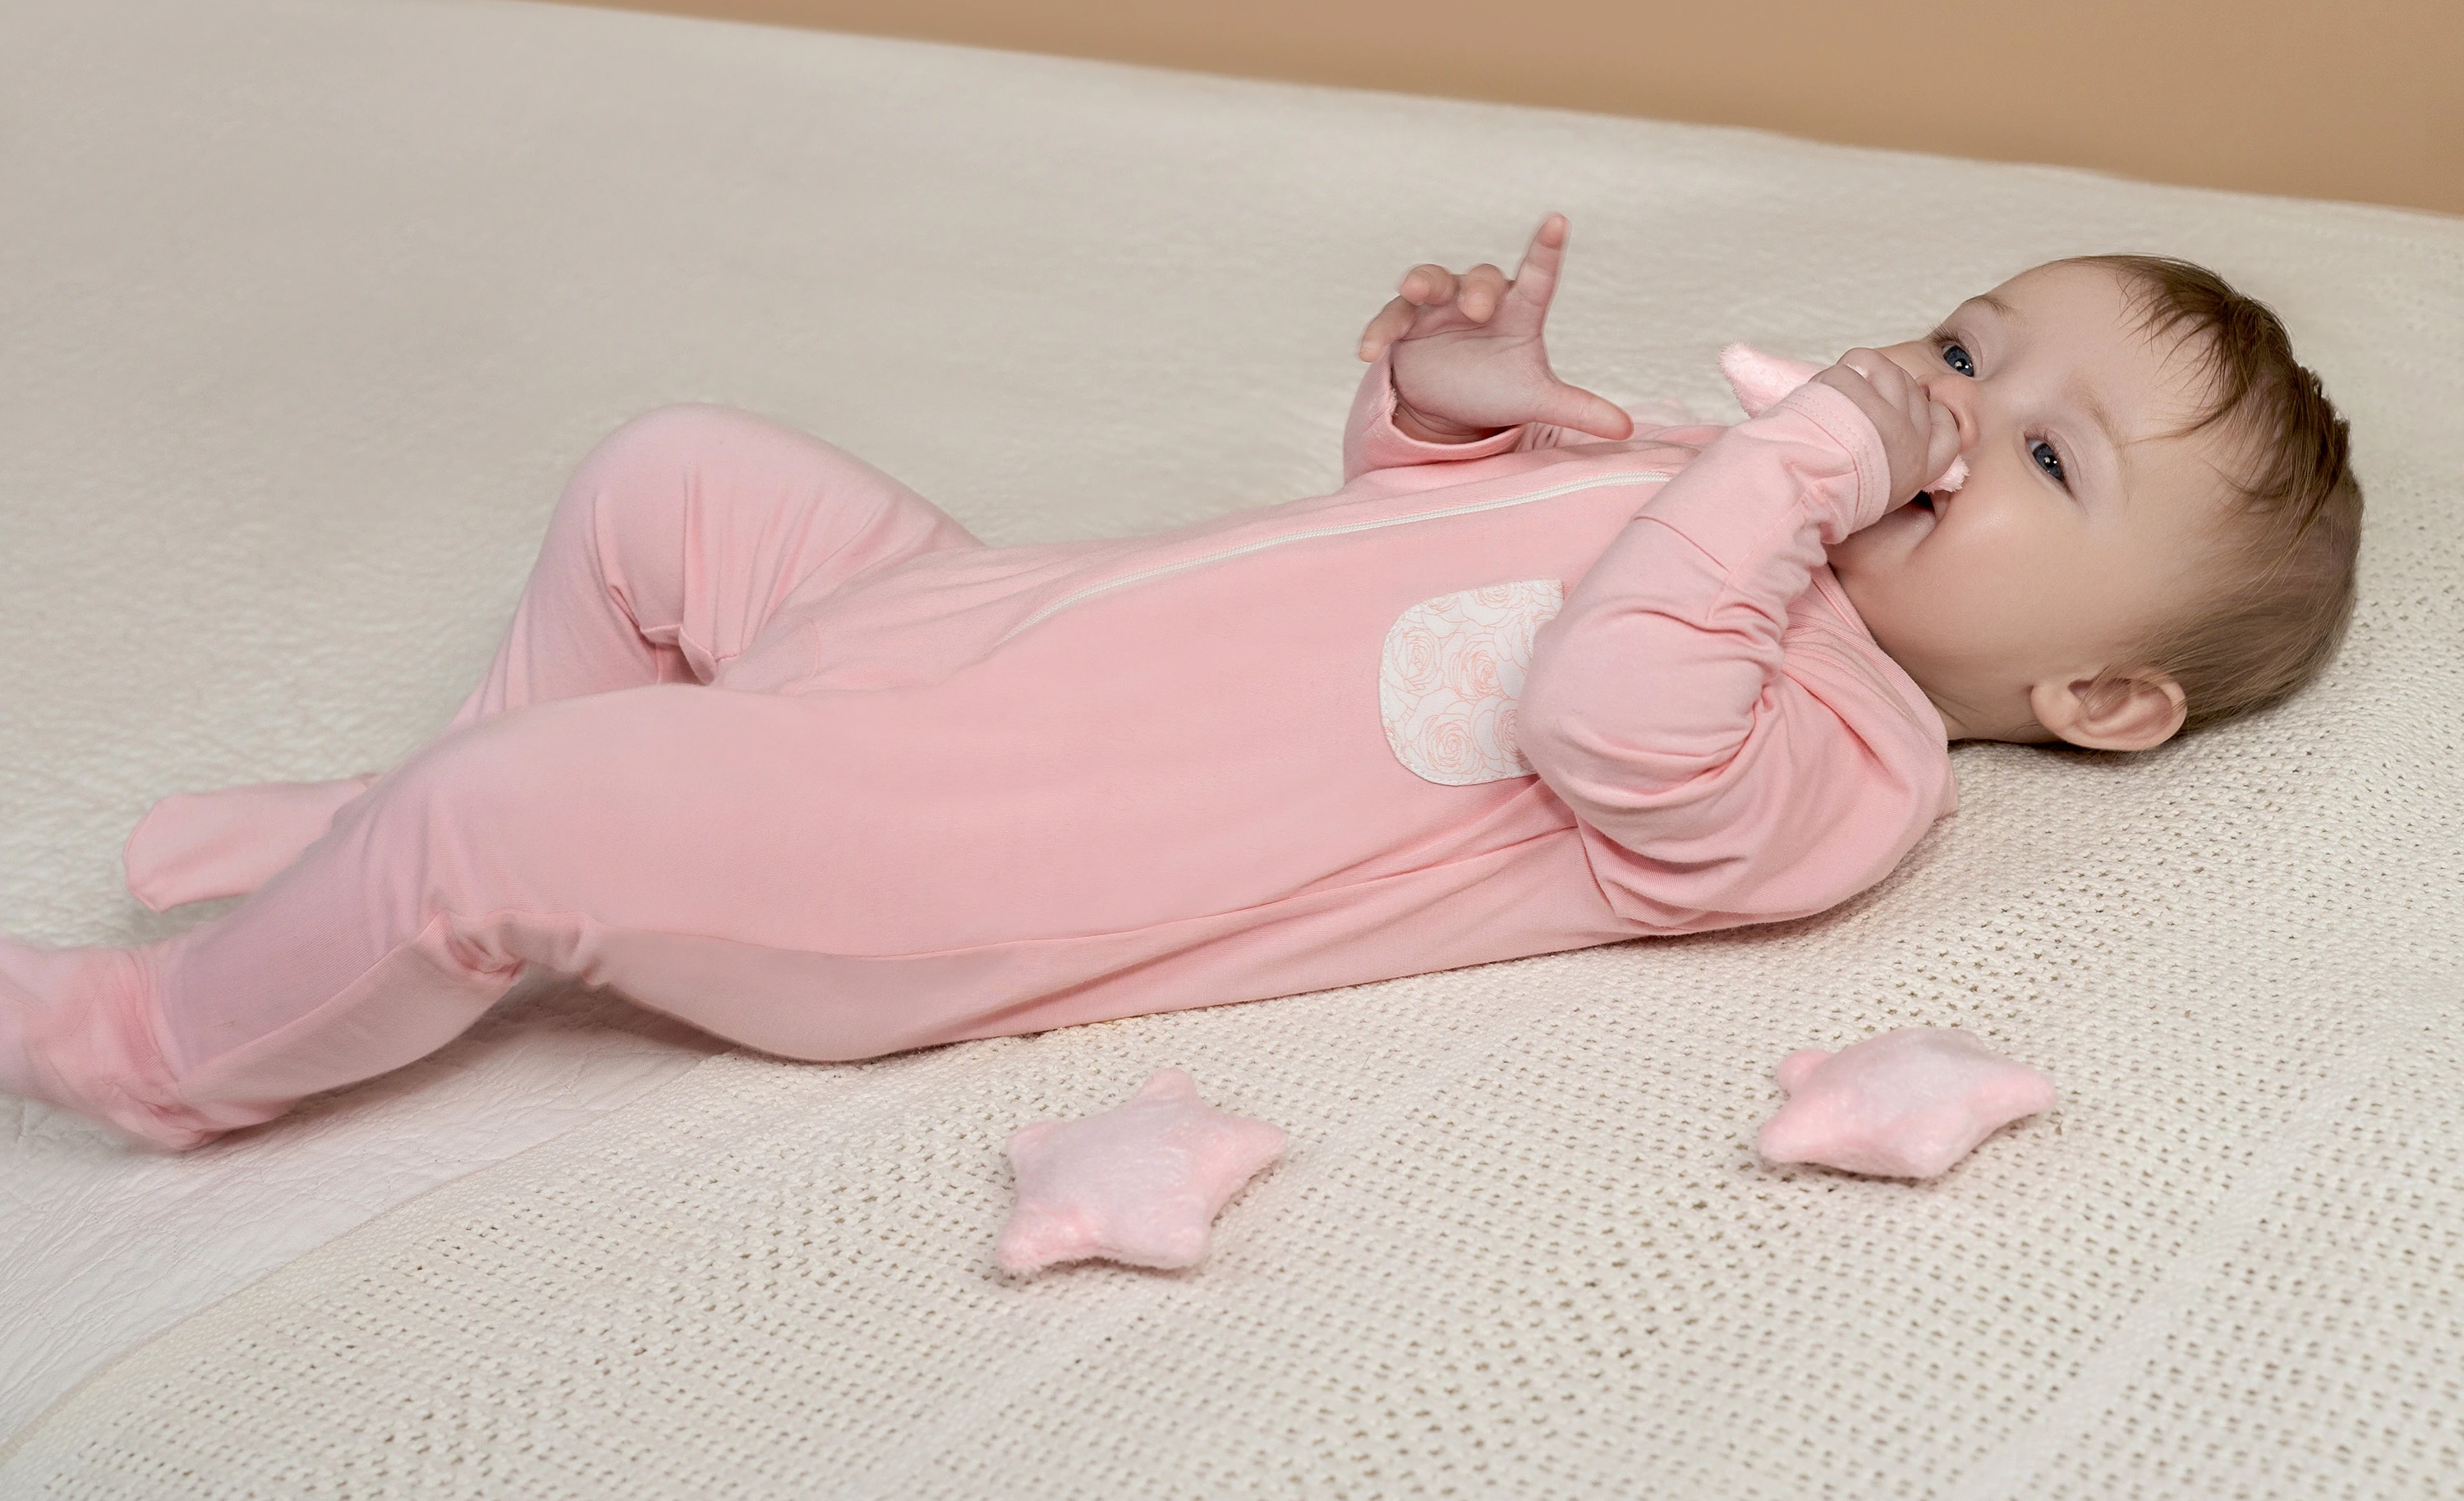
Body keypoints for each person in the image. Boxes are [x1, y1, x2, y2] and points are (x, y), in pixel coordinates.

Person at [1, 217, 2360, 1150]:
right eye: (1966, 341)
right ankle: (426, 802)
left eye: (2037, 447)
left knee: (511, 848)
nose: (1942, 403)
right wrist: (1459, 401)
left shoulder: (1843, 769)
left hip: (946, 852)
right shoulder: (1719, 479)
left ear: (2107, 699)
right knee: (667, 476)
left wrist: (1812, 451)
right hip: (975, 627)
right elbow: (1395, 555)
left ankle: (167, 1055)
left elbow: (1600, 710)